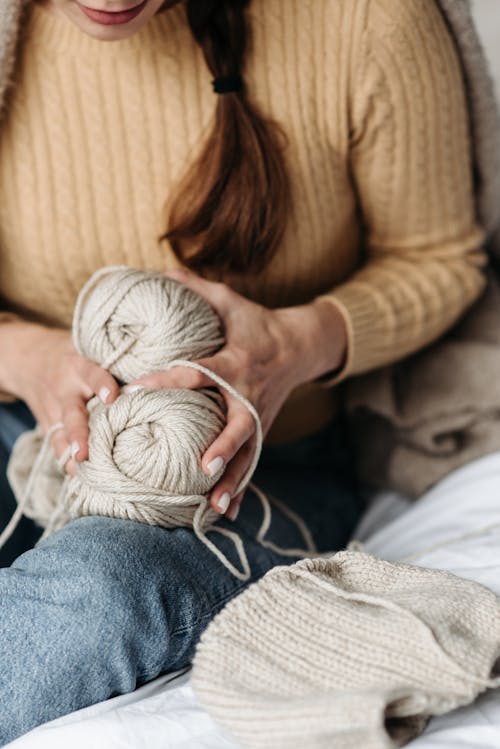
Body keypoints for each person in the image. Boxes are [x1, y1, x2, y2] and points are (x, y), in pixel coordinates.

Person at [0, 0, 487, 743]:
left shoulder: (369, 21)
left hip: (254, 473)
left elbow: (440, 258)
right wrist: (26, 358)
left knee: (103, 596)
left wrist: (296, 344)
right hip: (21, 426)